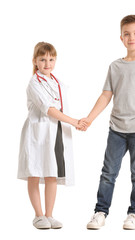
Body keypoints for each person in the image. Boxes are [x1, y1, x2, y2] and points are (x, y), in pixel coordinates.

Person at [79, 15, 135, 230]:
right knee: (108, 173)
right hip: (116, 129)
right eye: (127, 34)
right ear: (121, 38)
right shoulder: (115, 66)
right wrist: (89, 118)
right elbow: (106, 96)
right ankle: (100, 211)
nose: (131, 37)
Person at [17, 42, 86, 229]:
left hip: (55, 133)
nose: (47, 63)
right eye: (42, 59)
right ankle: (38, 216)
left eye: (51, 59)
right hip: (37, 134)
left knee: (51, 174)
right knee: (34, 172)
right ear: (35, 61)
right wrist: (74, 121)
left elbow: (60, 106)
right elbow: (48, 108)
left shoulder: (56, 81)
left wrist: (73, 122)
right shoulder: (34, 83)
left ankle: (49, 215)